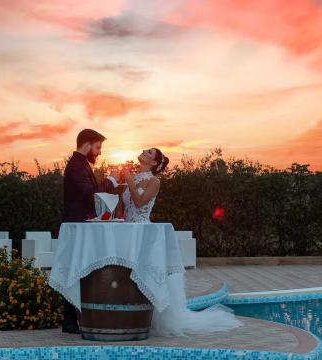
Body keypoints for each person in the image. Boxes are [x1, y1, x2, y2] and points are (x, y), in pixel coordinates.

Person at [122, 148, 244, 336]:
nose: (144, 152)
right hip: (126, 232)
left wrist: (129, 181)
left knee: (144, 272)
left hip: (143, 233)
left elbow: (140, 203)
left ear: (154, 163)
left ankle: (147, 315)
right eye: (146, 150)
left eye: (149, 153)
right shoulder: (134, 176)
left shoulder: (154, 181)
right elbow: (126, 206)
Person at [62, 129, 120, 333]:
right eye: (97, 148)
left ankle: (72, 319)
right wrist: (111, 181)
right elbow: (90, 196)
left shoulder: (81, 164)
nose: (99, 153)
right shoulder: (77, 165)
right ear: (86, 145)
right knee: (76, 270)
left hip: (81, 225)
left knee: (79, 270)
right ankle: (69, 321)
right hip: (77, 226)